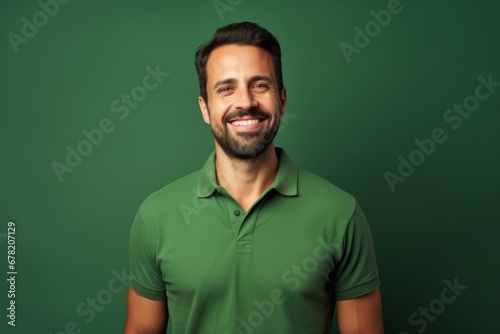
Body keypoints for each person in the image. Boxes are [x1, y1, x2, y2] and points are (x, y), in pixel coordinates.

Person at [124, 22, 383, 334]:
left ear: (282, 101)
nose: (245, 102)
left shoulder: (341, 214)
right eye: (226, 88)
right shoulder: (156, 216)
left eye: (260, 85)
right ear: (205, 108)